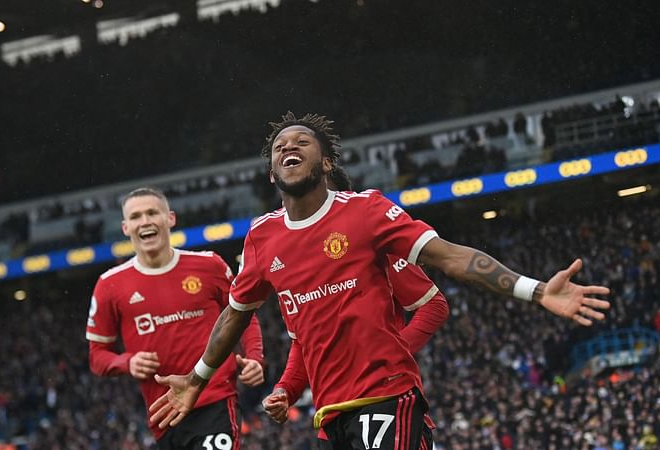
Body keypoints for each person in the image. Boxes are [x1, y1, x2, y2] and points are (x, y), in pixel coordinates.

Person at [149, 112, 610, 450]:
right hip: (331, 415)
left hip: (387, 394)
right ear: (272, 172)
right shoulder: (262, 238)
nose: (289, 146)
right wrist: (198, 378)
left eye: (302, 142)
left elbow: (450, 257)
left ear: (326, 163)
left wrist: (533, 289)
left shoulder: (365, 211)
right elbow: (239, 312)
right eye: (280, 147)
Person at [262, 165, 450, 445]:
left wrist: (390, 353)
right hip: (332, 415)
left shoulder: (369, 243)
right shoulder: (294, 269)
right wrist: (285, 390)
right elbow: (302, 344)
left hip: (382, 398)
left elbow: (433, 305)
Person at [86, 187, 265, 449]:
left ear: (170, 218)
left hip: (213, 399)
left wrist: (254, 357)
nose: (145, 221)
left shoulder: (209, 266)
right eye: (136, 217)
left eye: (152, 213)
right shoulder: (109, 285)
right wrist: (127, 361)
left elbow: (244, 315)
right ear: (125, 228)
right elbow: (97, 355)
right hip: (163, 416)